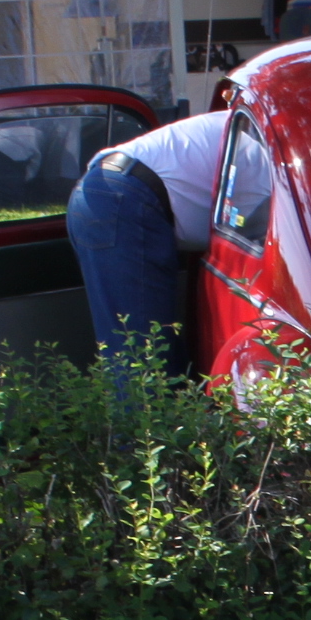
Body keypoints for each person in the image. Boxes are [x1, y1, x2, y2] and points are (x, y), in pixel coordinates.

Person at [61, 101, 273, 406]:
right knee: (141, 355)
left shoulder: (256, 129)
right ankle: (145, 435)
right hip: (123, 197)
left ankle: (161, 428)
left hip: (112, 192)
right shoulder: (266, 147)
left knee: (143, 347)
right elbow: (263, 233)